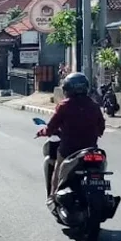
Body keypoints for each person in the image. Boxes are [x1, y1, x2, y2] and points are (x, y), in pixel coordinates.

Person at [37, 72, 105, 203]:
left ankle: (53, 197)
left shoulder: (64, 106)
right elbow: (101, 128)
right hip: (90, 148)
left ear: (67, 89)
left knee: (58, 167)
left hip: (69, 149)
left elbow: (51, 127)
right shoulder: (94, 105)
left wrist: (44, 132)